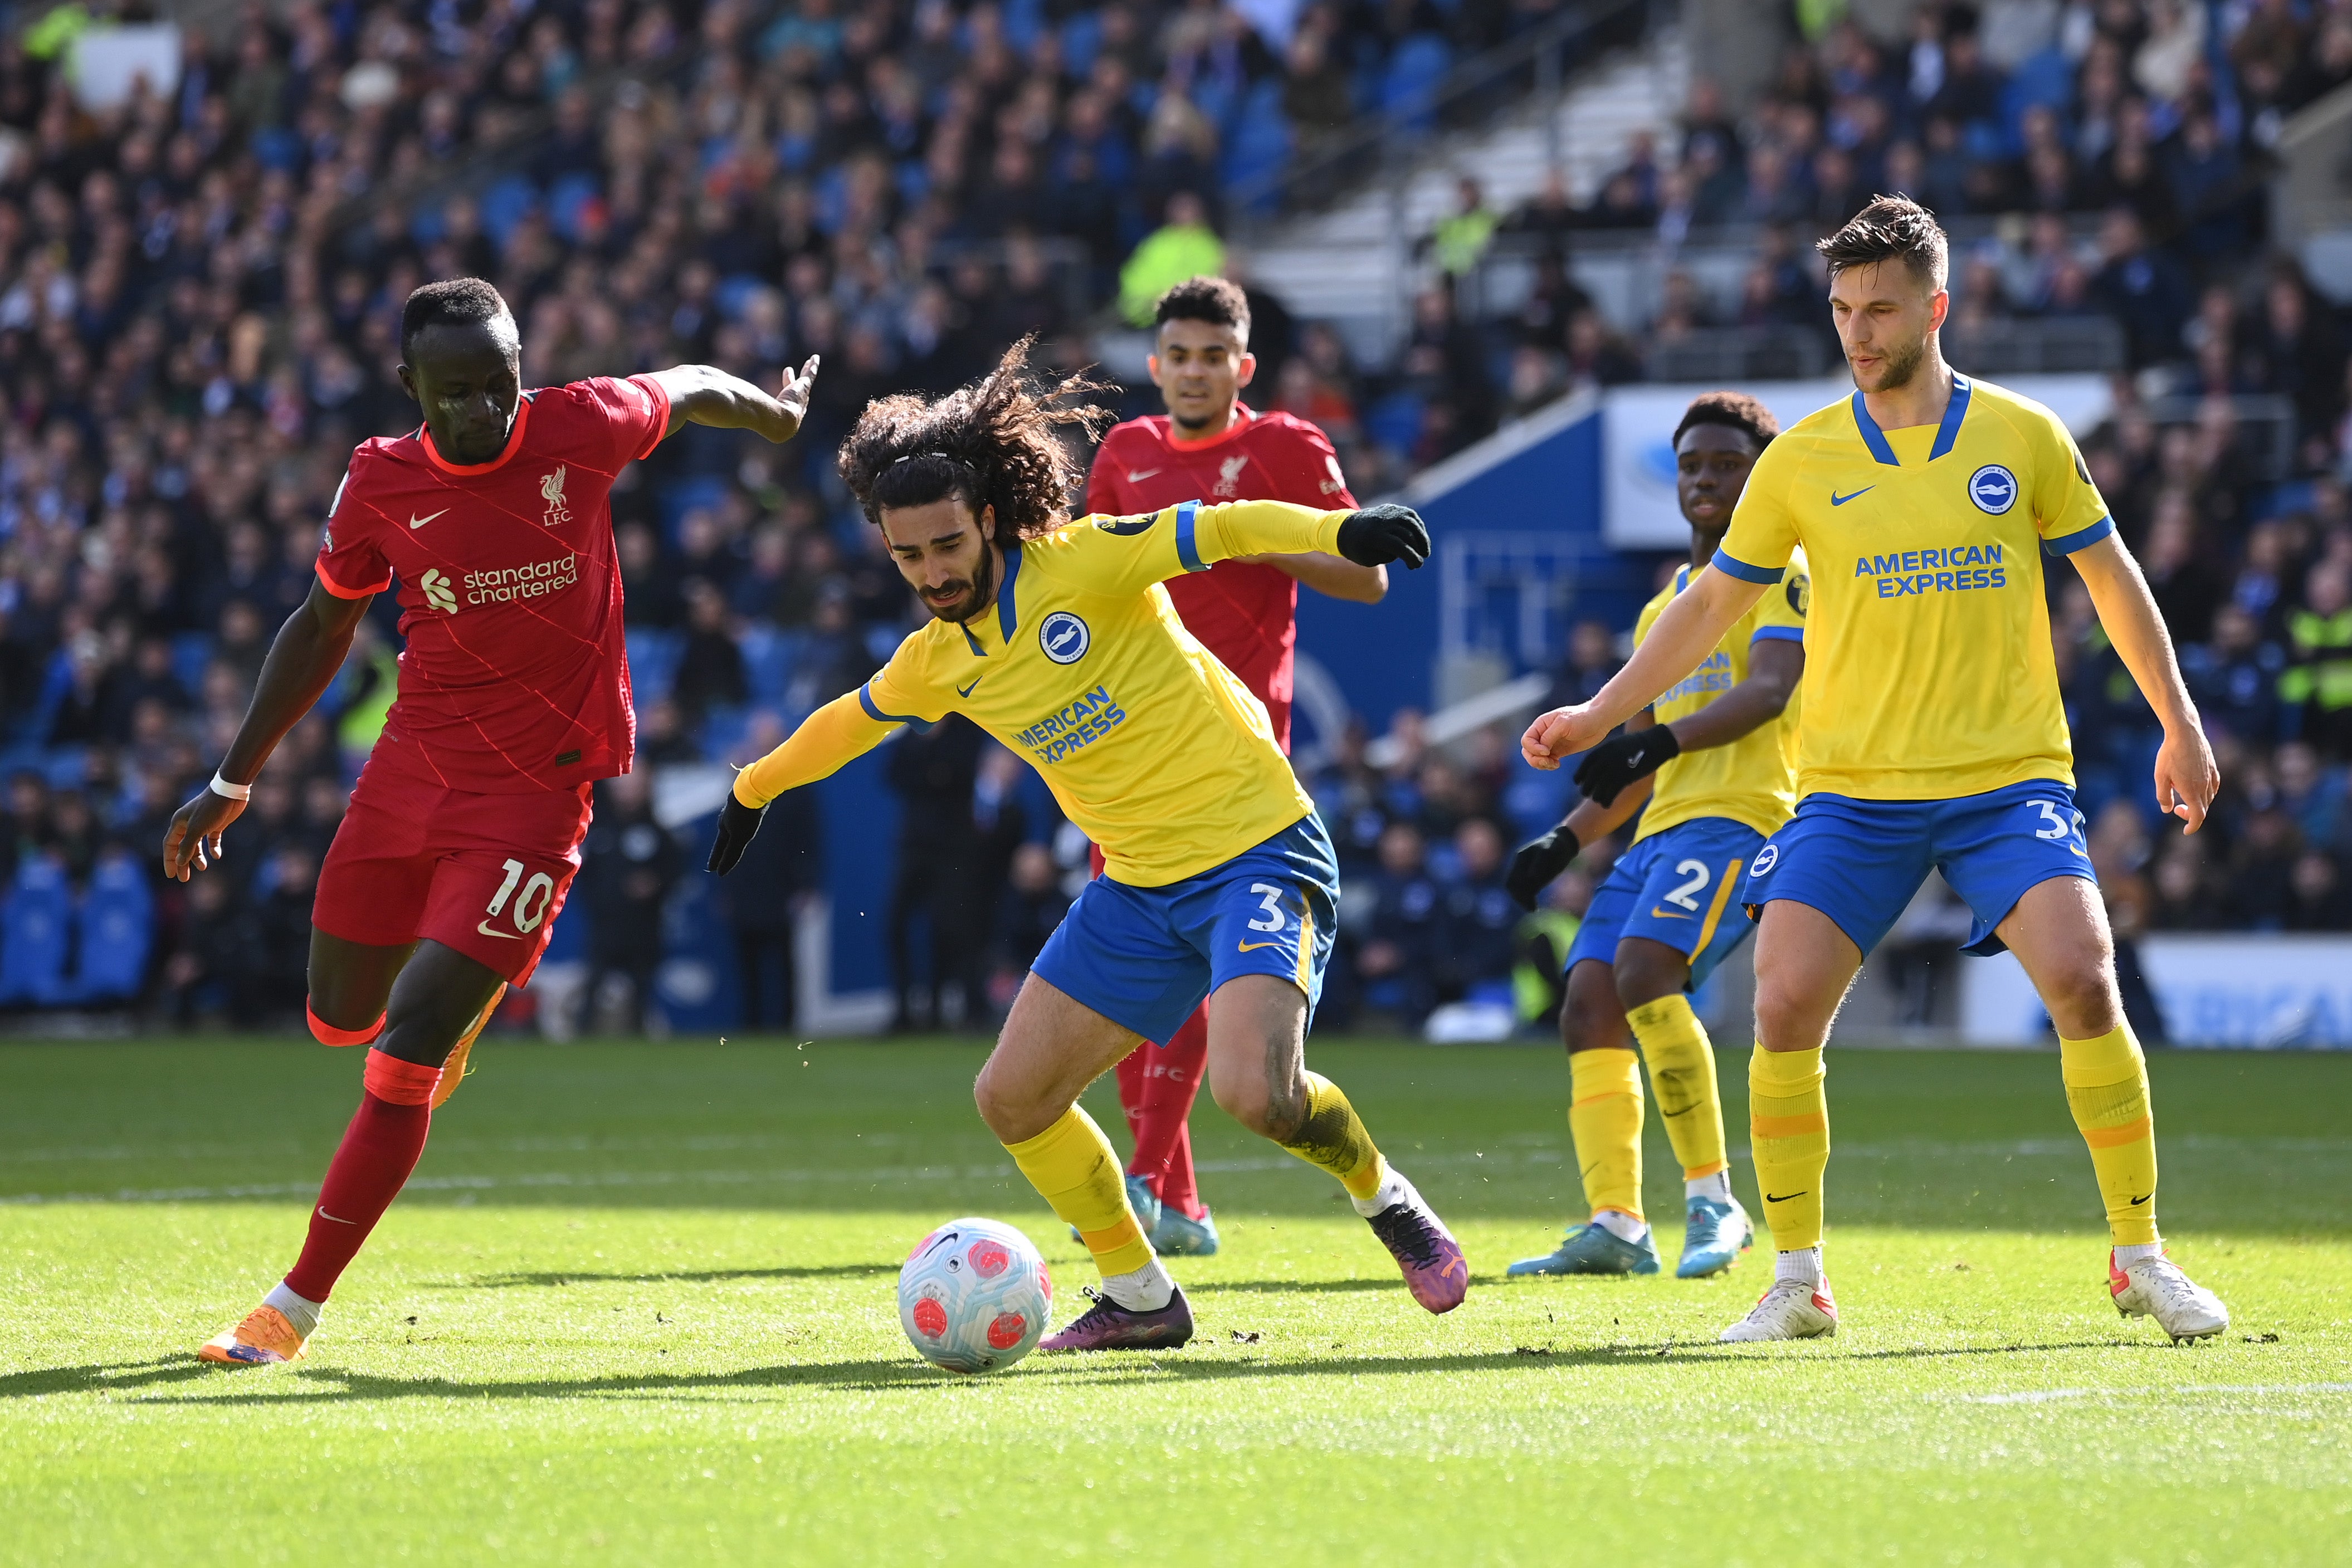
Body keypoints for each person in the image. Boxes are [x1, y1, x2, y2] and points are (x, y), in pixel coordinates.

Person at [1522, 197, 2230, 1345]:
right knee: (1784, 1005)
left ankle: (2138, 1255)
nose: (1856, 329)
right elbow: (1711, 603)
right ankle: (1796, 1279)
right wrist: (1601, 710)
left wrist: (2178, 723)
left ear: (1934, 308)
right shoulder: (1800, 458)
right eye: (1842, 308)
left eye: (1880, 308)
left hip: (2006, 779)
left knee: (2084, 981)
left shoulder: (2022, 435)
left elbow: (2111, 581)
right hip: (1850, 791)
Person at [706, 342, 1462, 1351]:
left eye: (946, 545)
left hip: (1257, 852)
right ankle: (1140, 1300)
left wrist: (1341, 529)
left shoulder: (1087, 558)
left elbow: (1224, 528)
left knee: (1257, 1096)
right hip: (1140, 890)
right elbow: (850, 718)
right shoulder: (939, 661)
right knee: (1011, 1099)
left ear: (986, 518)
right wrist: (752, 790)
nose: (932, 572)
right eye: (908, 557)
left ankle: (1386, 1197)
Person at [170, 277, 820, 1365]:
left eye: (499, 384)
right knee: (339, 1015)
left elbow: (692, 384)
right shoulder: (378, 479)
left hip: (536, 796)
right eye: (456, 392)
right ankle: (441, 1024)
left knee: (406, 1045)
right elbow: (324, 623)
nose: (482, 411)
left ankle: (291, 1306)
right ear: (407, 387)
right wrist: (234, 779)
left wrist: (775, 413)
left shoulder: (580, 426)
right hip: (408, 775)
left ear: (526, 367)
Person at [1082, 274, 1385, 1256]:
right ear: (1154, 363)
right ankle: (1179, 1199)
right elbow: (1088, 583)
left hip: (1239, 759)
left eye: (1214, 356)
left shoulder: (1287, 447)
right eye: (1177, 355)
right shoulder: (1124, 455)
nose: (1194, 371)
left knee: (1207, 980)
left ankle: (1143, 1183)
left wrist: (1260, 526)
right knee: (1129, 977)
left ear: (1242, 366)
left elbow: (1366, 577)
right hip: (1127, 756)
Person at [1501, 390, 1804, 1282]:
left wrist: (1655, 737)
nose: (1705, 479)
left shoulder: (1784, 571)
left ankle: (1715, 1201)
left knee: (1644, 974)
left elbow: (1770, 690)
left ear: (1759, 478)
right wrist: (1563, 839)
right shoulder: (1662, 610)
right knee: (1587, 1000)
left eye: (1726, 464)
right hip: (1661, 828)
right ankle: (1616, 1223)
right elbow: (1629, 763)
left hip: (1746, 816)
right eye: (1691, 464)